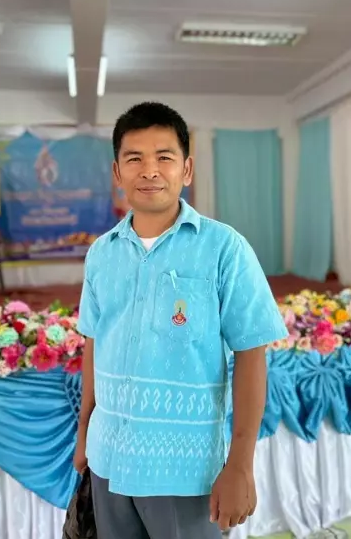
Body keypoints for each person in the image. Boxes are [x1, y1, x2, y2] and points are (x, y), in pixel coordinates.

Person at [74, 102, 288, 539]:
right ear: (117, 173)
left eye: (164, 157)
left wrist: (240, 465)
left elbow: (251, 353)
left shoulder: (224, 248)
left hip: (184, 470)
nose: (149, 170)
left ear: (186, 169)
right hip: (107, 457)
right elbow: (94, 343)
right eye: (135, 158)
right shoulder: (101, 253)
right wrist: (83, 436)